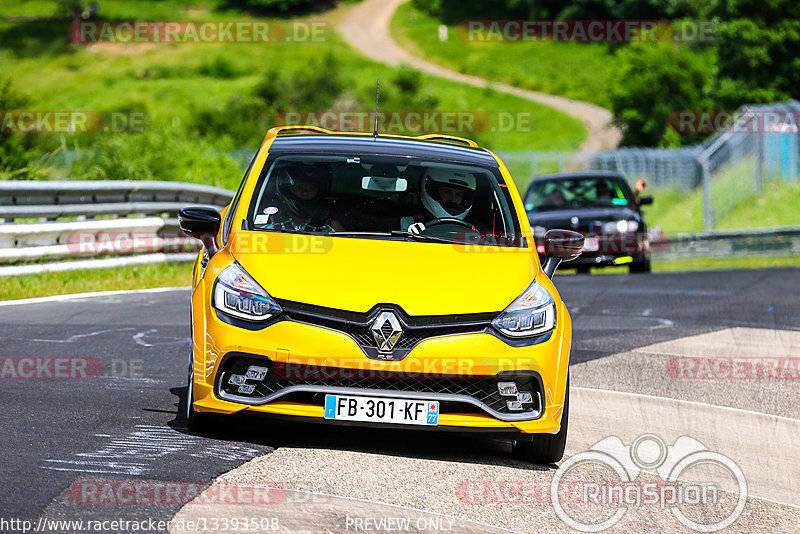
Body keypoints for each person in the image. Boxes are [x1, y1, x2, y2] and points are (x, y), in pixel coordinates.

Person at [258, 163, 342, 232]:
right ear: (289, 190)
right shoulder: (270, 221)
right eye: (299, 188)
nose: (305, 193)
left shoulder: (329, 224)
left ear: (318, 191)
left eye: (311, 189)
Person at [401, 167, 477, 231]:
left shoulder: (473, 230)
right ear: (433, 191)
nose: (452, 199)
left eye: (459, 194)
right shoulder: (408, 223)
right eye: (446, 192)